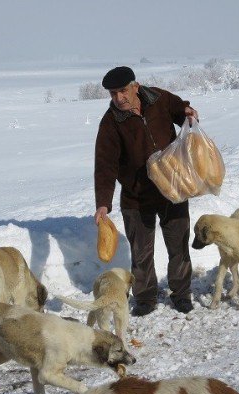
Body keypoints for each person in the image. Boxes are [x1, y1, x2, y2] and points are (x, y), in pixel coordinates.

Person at [94, 66, 198, 316]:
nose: (119, 98)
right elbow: (105, 165)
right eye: (112, 94)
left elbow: (178, 109)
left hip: (172, 188)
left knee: (179, 246)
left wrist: (187, 111)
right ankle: (145, 297)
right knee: (141, 253)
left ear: (135, 87)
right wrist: (103, 203)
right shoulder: (111, 123)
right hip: (135, 196)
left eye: (122, 91)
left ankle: (181, 294)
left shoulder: (158, 99)